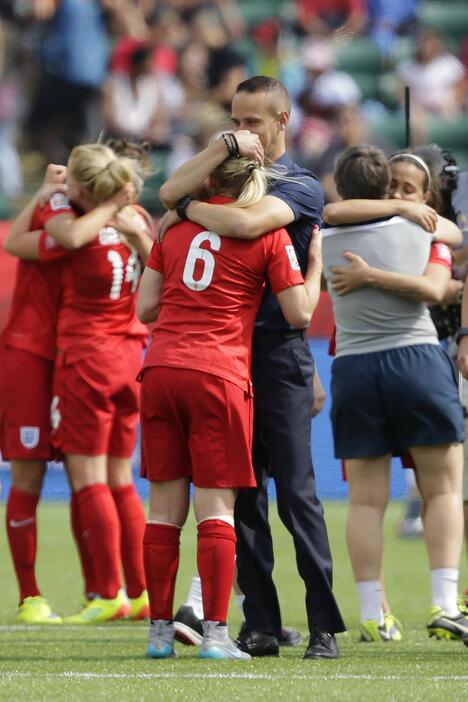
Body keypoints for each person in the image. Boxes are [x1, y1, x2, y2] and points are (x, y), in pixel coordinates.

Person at [157, 76, 345, 659]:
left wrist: (185, 210)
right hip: (226, 356)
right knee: (241, 496)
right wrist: (211, 158)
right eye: (235, 120)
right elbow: (167, 190)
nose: (242, 134)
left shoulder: (301, 184)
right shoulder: (231, 163)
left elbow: (240, 223)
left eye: (254, 123)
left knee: (296, 493)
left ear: (283, 121)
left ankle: (322, 627)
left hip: (278, 352)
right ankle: (260, 622)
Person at [322, 144, 468, 645]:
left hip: (353, 368)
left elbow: (331, 211)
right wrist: (411, 208)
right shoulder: (422, 229)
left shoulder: (323, 234)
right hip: (416, 360)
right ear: (386, 185)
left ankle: (371, 613)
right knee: (444, 489)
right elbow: (449, 243)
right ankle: (446, 603)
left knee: (364, 501)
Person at [4, 143, 153, 623]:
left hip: (80, 356)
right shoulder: (77, 210)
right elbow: (20, 243)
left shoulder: (85, 220)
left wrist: (107, 209)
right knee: (38, 474)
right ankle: (33, 597)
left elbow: (38, 242)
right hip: (35, 353)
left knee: (88, 475)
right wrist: (48, 191)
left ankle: (108, 592)